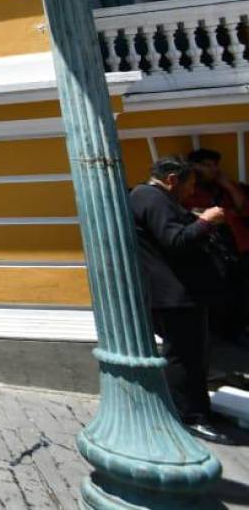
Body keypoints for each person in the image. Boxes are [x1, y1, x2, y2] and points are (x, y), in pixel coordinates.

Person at [130, 157, 227, 443]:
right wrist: (206, 221)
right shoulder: (151, 197)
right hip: (173, 296)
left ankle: (198, 409)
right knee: (184, 358)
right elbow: (175, 241)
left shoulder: (151, 198)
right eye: (190, 185)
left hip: (178, 295)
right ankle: (189, 416)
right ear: (172, 179)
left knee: (193, 356)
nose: (190, 191)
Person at [185, 148, 249, 342]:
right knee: (222, 294)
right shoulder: (189, 190)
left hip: (240, 246)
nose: (212, 169)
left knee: (244, 291)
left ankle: (241, 330)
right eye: (207, 165)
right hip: (212, 251)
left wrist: (228, 185)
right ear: (194, 167)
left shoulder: (226, 188)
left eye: (215, 165)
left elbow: (245, 209)